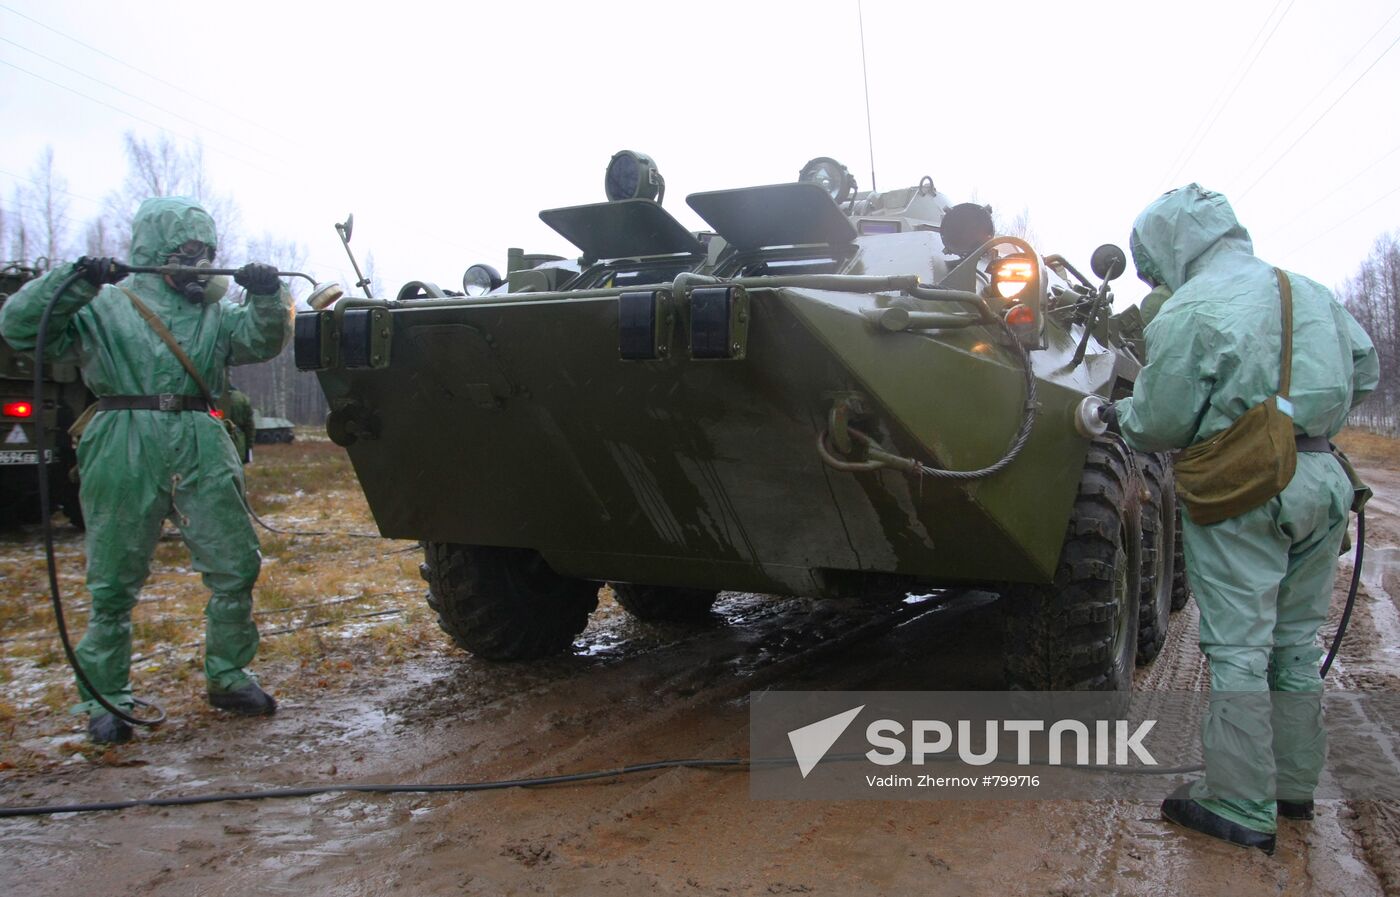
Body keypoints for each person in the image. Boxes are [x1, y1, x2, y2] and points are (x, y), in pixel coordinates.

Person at [1110, 185, 1378, 854]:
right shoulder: (1308, 290)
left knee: (1238, 647)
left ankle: (1239, 801)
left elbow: (1157, 421)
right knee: (1293, 640)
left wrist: (1119, 418)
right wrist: (1306, 409)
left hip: (1245, 483)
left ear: (1172, 245)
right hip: (1321, 476)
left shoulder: (1189, 310)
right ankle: (1293, 789)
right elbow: (1366, 364)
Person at [0, 196, 293, 744]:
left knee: (235, 564)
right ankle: (105, 698)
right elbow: (20, 327)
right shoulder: (105, 305)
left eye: (209, 252)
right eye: (189, 252)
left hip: (201, 439)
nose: (201, 263)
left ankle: (228, 675)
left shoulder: (213, 313)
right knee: (113, 580)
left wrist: (267, 295)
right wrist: (75, 279)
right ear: (156, 252)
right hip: (122, 437)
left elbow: (260, 340)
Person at [222, 384, 255, 465]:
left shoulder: (215, 397)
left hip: (220, 440)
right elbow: (249, 426)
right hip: (238, 442)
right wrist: (249, 447)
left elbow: (211, 415)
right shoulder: (243, 399)